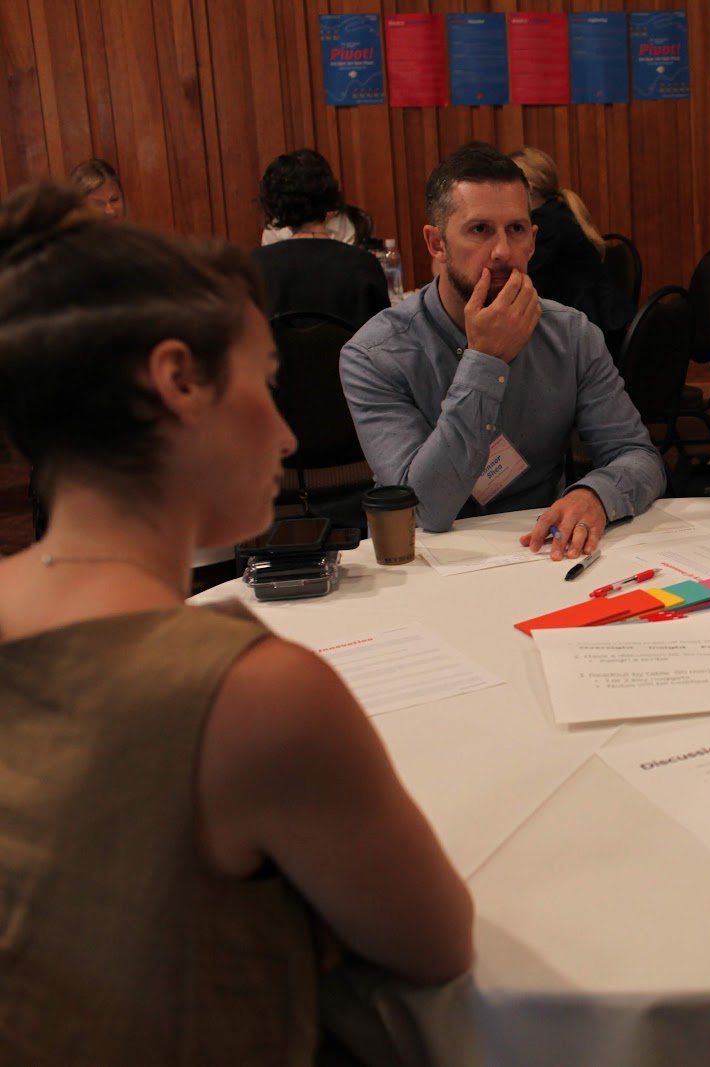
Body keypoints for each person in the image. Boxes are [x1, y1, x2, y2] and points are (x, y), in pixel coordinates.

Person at [0, 184, 472, 1062]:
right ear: (180, 380)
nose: (288, 437)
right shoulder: (252, 693)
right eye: (265, 378)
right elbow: (438, 941)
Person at [340, 142, 664, 556]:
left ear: (532, 240)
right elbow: (426, 510)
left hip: (541, 550)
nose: (502, 252)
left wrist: (597, 494)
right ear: (437, 244)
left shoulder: (571, 335)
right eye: (479, 230)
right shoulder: (375, 355)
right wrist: (485, 361)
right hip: (428, 563)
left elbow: (637, 456)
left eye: (515, 230)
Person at [251, 148, 390, 328]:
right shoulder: (364, 265)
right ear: (329, 197)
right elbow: (384, 335)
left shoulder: (254, 268)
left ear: (274, 206)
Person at [509, 146, 630, 339]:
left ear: (528, 189)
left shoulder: (547, 224)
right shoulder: (558, 211)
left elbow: (526, 283)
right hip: (595, 322)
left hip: (589, 333)